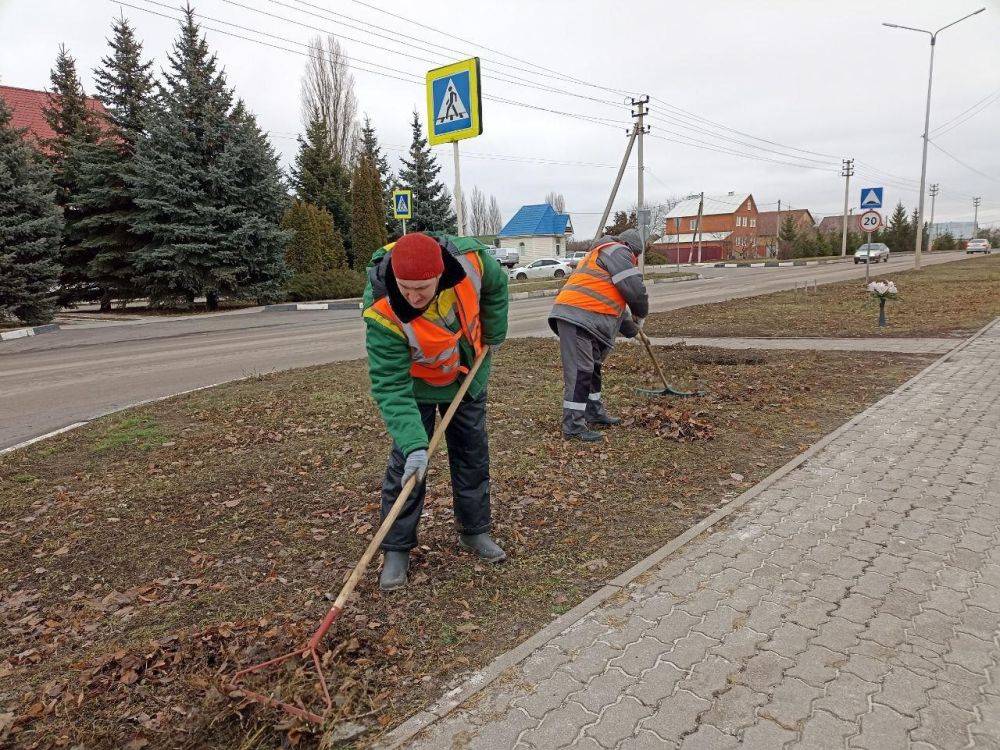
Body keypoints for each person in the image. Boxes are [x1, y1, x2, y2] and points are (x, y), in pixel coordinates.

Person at [362, 232, 509, 591]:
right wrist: (414, 443)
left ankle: (474, 531)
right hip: (417, 386)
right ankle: (396, 549)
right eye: (405, 287)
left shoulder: (472, 264)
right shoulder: (381, 308)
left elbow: (497, 286)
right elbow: (390, 385)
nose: (412, 297)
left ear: (440, 273)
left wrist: (494, 331)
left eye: (422, 288)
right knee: (407, 466)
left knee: (472, 453)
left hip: (465, 375)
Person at [548, 228, 649, 442]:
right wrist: (641, 313)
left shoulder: (604, 256)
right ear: (632, 249)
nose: (635, 260)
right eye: (636, 256)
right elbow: (635, 290)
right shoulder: (618, 251)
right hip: (577, 317)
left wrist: (636, 331)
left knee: (592, 368)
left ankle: (593, 412)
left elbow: (614, 306)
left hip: (584, 317)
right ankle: (573, 426)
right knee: (581, 371)